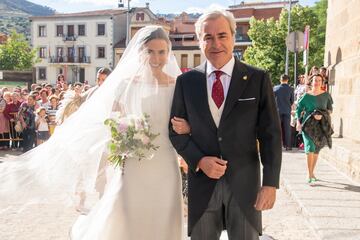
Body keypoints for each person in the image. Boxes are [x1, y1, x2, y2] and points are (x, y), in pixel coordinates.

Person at [0, 26, 189, 240]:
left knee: (163, 212)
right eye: (150, 51)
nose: (156, 57)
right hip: (135, 159)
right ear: (140, 53)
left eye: (161, 52)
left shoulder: (177, 85)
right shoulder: (125, 85)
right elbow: (115, 121)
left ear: (168, 53)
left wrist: (186, 136)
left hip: (165, 159)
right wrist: (126, 136)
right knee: (130, 211)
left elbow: (183, 122)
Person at [169, 9, 282, 239]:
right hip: (202, 186)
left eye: (222, 35)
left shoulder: (257, 79)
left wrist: (270, 183)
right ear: (199, 41)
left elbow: (271, 135)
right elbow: (175, 132)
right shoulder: (186, 82)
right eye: (208, 37)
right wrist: (199, 159)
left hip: (245, 186)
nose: (215, 43)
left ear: (233, 37)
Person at [296, 74, 333, 183]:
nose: (317, 82)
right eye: (315, 80)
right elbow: (298, 110)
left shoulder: (326, 95)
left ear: (322, 82)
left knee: (316, 149)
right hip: (308, 125)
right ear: (311, 82)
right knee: (309, 147)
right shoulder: (306, 96)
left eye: (319, 80)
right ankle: (309, 174)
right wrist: (298, 122)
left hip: (321, 125)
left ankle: (312, 172)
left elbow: (330, 110)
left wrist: (321, 114)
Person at [273, 74, 294, 150]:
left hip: (277, 110)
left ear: (280, 80)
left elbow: (272, 100)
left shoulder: (275, 88)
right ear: (287, 80)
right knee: (287, 128)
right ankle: (288, 145)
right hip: (287, 110)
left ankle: (277, 145)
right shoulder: (291, 89)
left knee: (277, 128)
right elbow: (292, 101)